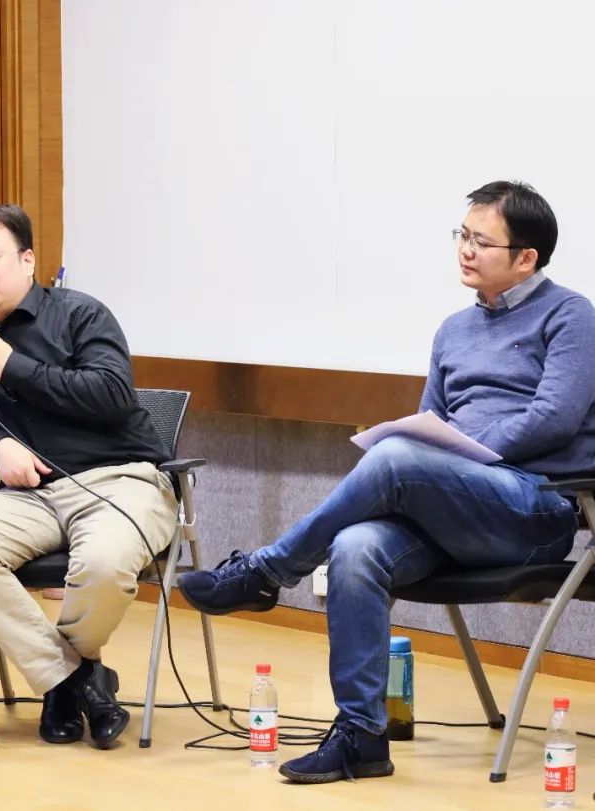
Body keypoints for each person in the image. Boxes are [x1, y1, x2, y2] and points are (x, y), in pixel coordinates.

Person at [178, 181, 595, 783]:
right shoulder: (454, 329)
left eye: (482, 241)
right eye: (462, 235)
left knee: (398, 457)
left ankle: (267, 570)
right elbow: (433, 423)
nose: (466, 249)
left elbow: (555, 416)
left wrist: (467, 455)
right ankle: (363, 737)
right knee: (354, 548)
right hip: (457, 511)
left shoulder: (571, 315)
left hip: (534, 510)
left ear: (526, 257)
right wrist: (438, 453)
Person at [0, 203, 178, 748]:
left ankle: (62, 685)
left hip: (121, 479)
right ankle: (76, 681)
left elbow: (112, 395)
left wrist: (12, 366)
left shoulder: (80, 314)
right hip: (29, 493)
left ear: (27, 261)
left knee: (104, 564)